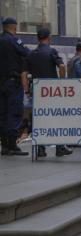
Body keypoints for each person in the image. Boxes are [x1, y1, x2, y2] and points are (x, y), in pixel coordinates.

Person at [21, 27, 73, 157]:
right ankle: (60, 147)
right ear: (49, 38)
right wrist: (61, 83)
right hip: (52, 91)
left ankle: (40, 148)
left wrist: (27, 90)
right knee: (56, 117)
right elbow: (61, 66)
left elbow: (24, 74)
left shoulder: (31, 54)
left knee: (39, 118)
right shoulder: (51, 52)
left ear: (38, 39)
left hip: (37, 90)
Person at [0, 17, 30, 156]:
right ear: (14, 27)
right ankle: (12, 145)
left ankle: (4, 145)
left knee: (3, 113)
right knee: (14, 112)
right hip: (13, 82)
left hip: (1, 82)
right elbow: (26, 53)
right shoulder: (13, 40)